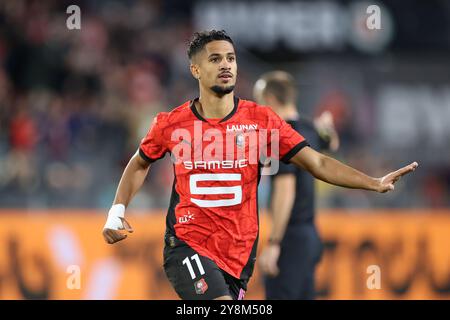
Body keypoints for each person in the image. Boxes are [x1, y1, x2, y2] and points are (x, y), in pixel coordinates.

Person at [102, 30, 418, 300]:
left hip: (239, 255)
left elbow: (317, 162)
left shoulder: (261, 120)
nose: (226, 64)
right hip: (187, 244)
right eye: (215, 59)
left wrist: (373, 182)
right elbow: (140, 162)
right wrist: (117, 212)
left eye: (231, 58)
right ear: (195, 69)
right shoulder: (172, 123)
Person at [253, 71, 339, 299]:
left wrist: (274, 243)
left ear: (269, 99)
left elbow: (285, 190)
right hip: (310, 234)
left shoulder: (280, 136)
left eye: (260, 101)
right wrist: (328, 127)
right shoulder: (309, 128)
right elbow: (331, 142)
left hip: (290, 238)